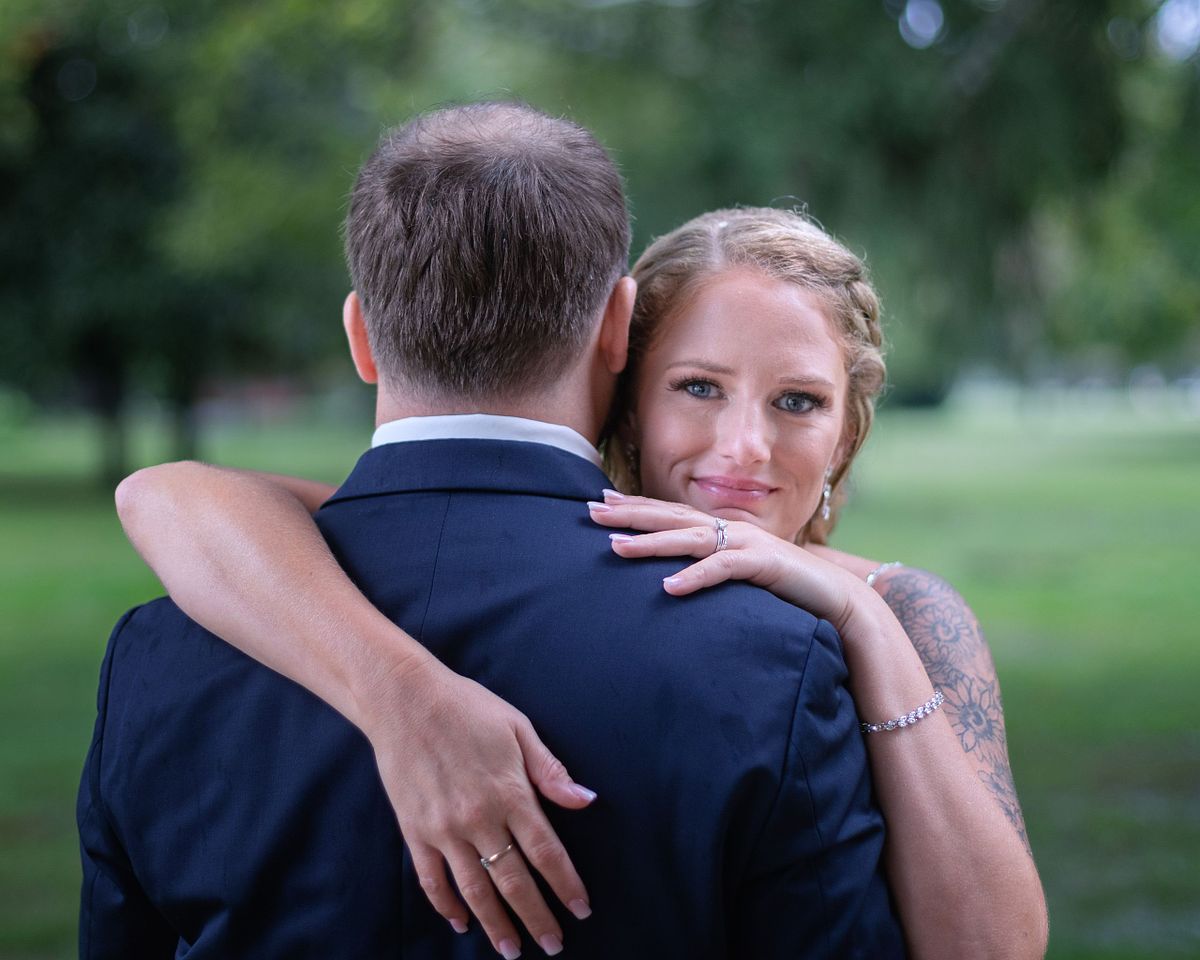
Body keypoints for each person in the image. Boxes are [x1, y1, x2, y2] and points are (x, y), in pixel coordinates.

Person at [111, 192, 1049, 960]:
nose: (744, 449)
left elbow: (997, 950)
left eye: (797, 401)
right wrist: (402, 697)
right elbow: (165, 495)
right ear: (623, 383)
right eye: (699, 387)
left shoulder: (903, 609)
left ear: (847, 430)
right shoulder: (542, 538)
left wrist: (861, 618)